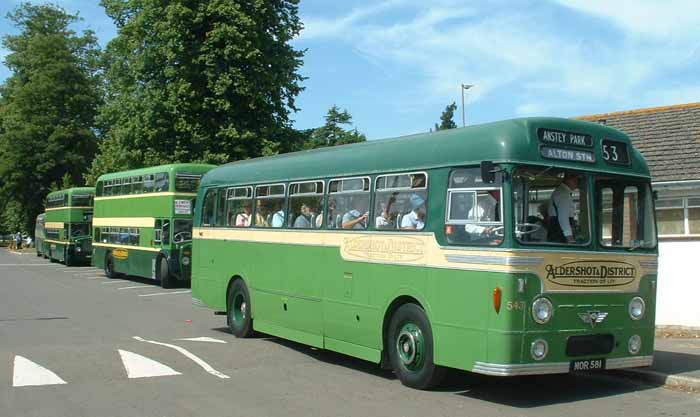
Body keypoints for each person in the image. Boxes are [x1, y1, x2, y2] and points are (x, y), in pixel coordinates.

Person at [547, 174, 579, 243]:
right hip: (560, 233)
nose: (577, 183)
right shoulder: (563, 194)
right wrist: (569, 237)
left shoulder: (562, 192)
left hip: (557, 229)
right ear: (568, 180)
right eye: (575, 180)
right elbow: (563, 217)